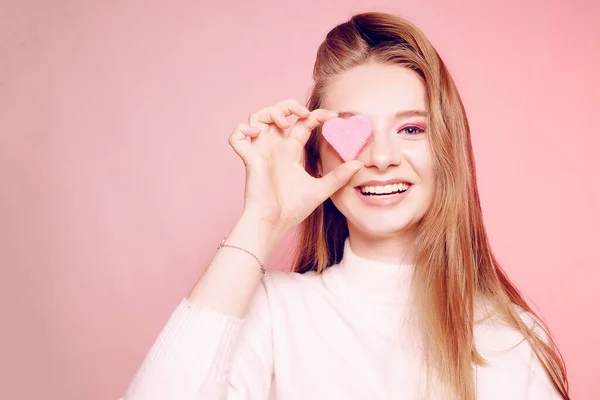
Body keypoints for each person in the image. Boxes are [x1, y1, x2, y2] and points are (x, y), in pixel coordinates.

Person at [121, 11, 569, 400]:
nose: (380, 157)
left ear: (448, 149)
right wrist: (262, 220)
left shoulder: (513, 337)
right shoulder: (275, 315)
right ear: (316, 157)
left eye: (411, 130)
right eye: (353, 131)